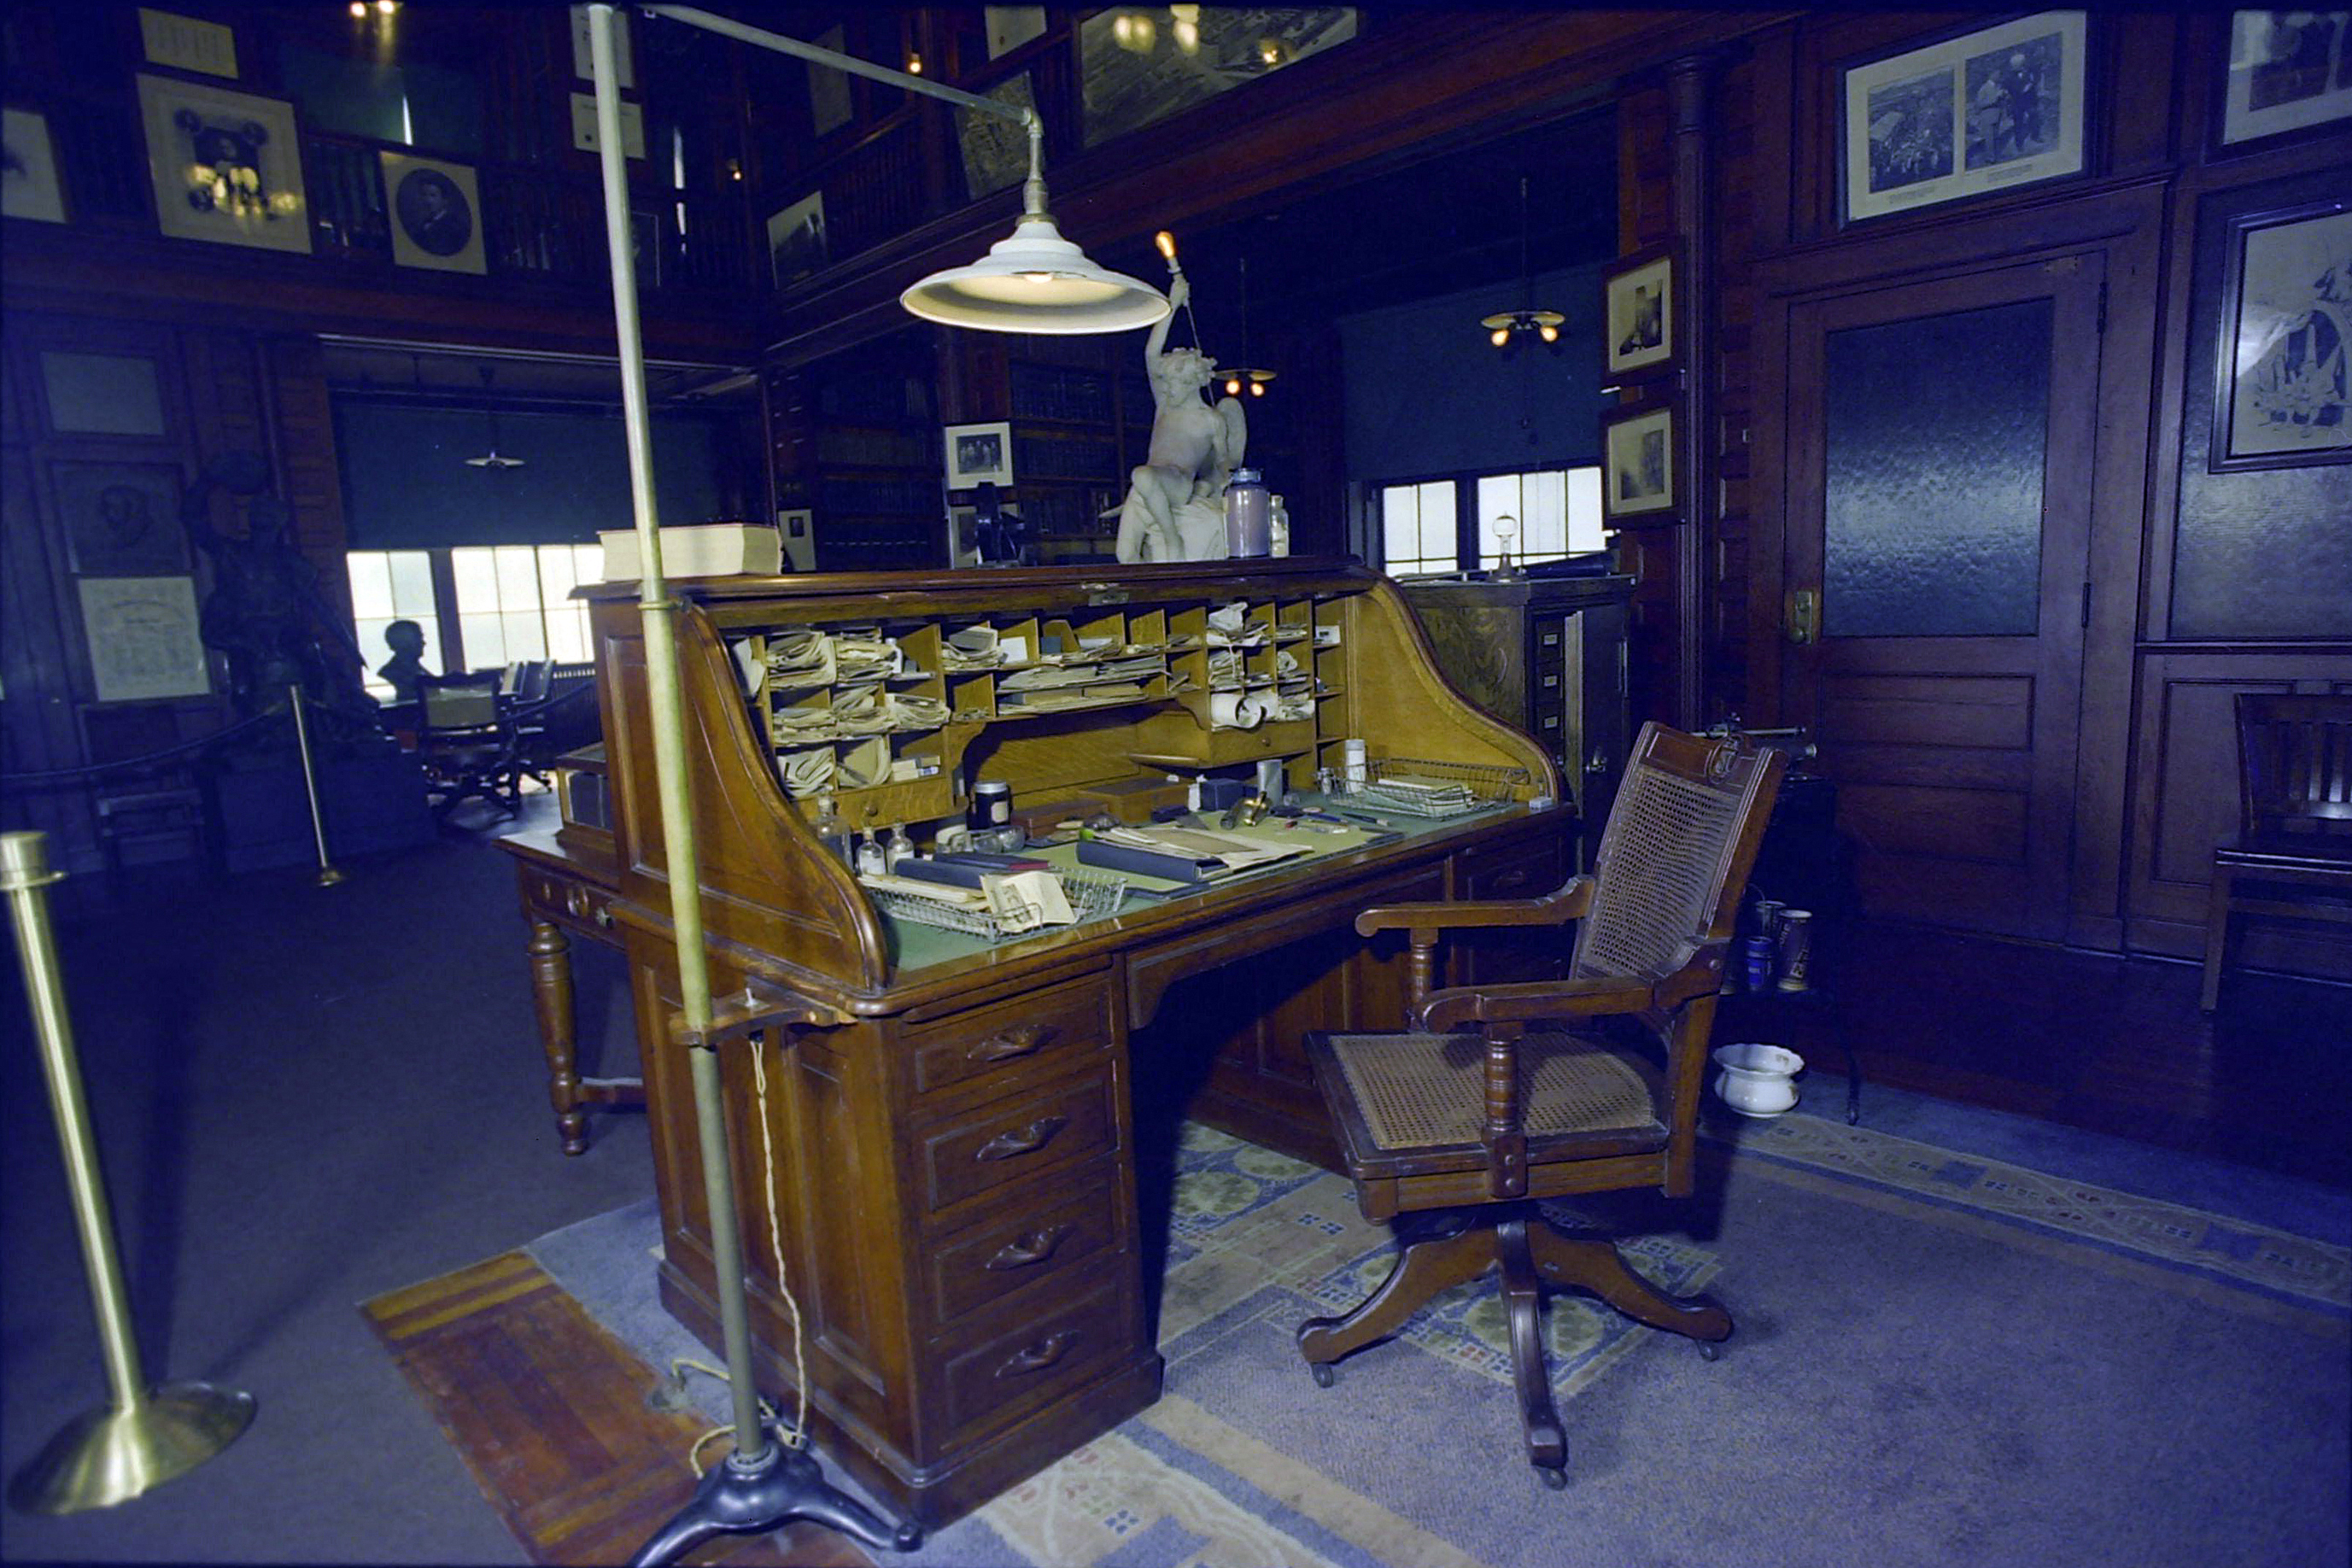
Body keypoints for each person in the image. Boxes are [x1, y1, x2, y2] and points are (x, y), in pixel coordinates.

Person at [1114, 273, 1248, 563]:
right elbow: (1151, 353)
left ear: (1192, 383)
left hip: (1176, 484)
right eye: (1165, 383)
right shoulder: (1165, 405)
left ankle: (1171, 538)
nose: (1167, 389)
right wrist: (1172, 305)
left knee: (1142, 474)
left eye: (1173, 384)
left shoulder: (1211, 419)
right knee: (1125, 555)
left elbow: (1222, 461)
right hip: (1147, 490)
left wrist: (1220, 480)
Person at [377, 620, 431, 704]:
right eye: (418, 638)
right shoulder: (391, 671)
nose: (424, 643)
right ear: (404, 642)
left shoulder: (417, 668)